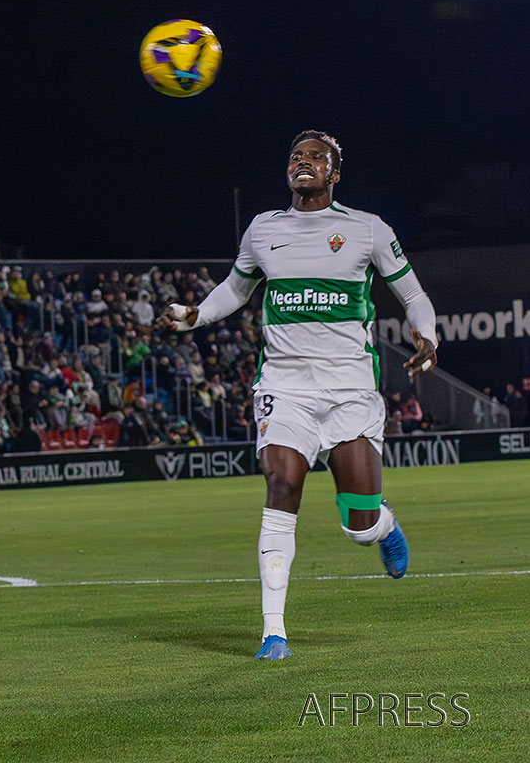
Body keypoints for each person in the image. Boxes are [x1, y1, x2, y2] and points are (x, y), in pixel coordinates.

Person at [157, 131, 438, 662]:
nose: (302, 163)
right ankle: (273, 632)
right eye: (295, 156)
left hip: (350, 390)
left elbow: (412, 293)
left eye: (315, 157)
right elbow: (235, 290)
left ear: (335, 173)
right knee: (282, 482)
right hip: (284, 387)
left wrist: (428, 335)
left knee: (357, 528)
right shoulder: (264, 229)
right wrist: (195, 314)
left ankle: (382, 524)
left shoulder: (368, 230)